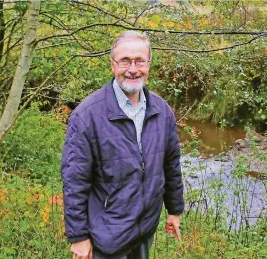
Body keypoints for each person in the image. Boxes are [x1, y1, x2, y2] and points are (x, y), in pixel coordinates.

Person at [61, 31, 184, 259]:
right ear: (112, 64)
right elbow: (75, 183)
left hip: (145, 229)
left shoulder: (162, 111)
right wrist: (79, 237)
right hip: (106, 234)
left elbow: (171, 166)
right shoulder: (87, 116)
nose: (133, 68)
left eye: (140, 61)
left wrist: (174, 210)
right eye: (125, 60)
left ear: (149, 63)